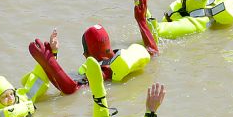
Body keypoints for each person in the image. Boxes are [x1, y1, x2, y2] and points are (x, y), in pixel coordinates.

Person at [24, 20, 156, 97]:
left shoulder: (102, 70)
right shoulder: (122, 55)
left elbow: (71, 90)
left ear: (86, 54)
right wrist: (141, 20)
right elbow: (153, 51)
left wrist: (49, 59)